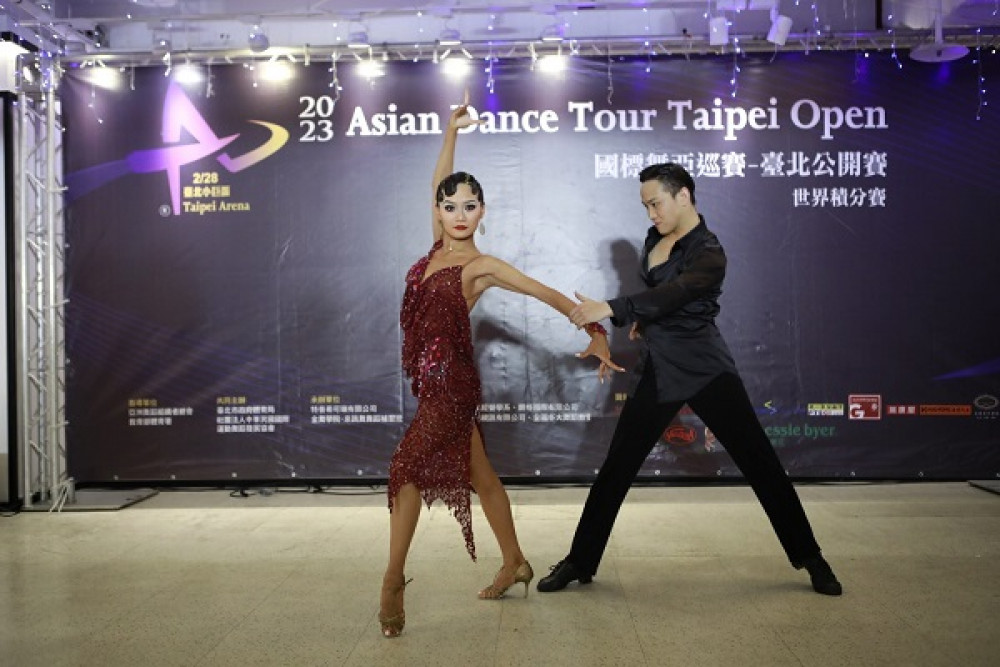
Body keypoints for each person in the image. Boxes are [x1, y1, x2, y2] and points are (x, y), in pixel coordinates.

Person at [378, 95, 623, 638]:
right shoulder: (434, 250)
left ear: (483, 212)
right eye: (450, 205)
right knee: (481, 476)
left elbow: (542, 292)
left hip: (453, 386)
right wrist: (451, 130)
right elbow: (439, 179)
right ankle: (514, 560)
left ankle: (392, 581)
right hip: (431, 386)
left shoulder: (480, 265)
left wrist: (594, 329)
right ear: (439, 211)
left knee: (406, 469)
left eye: (470, 206)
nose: (459, 213)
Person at [536, 162, 842, 597]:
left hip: (705, 369)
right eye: (645, 206)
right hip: (658, 369)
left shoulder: (710, 252)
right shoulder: (653, 240)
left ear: (683, 196)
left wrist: (614, 308)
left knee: (761, 464)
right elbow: (659, 300)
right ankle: (579, 561)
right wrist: (643, 322)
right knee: (617, 467)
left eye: (656, 203)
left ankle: (812, 558)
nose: (651, 214)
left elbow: (675, 293)